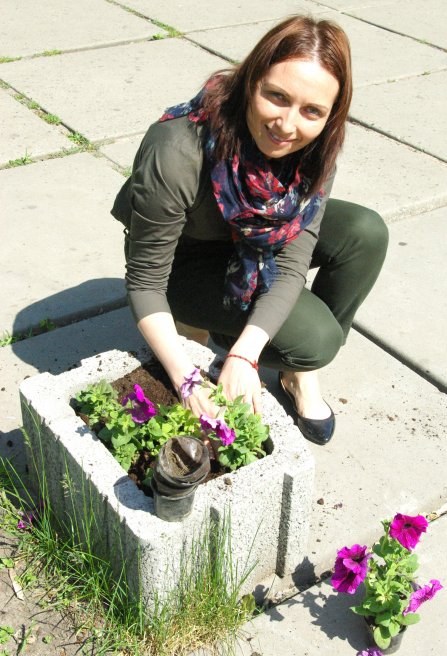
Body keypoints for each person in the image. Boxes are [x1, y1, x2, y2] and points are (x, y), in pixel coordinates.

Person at [111, 15, 388, 446]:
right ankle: (265, 342)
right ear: (250, 81)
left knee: (364, 233)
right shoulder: (178, 149)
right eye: (276, 96)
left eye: (312, 111)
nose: (287, 126)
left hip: (255, 238)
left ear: (331, 115)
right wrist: (186, 379)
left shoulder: (315, 147)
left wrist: (245, 353)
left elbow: (293, 261)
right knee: (316, 338)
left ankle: (297, 371)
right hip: (187, 257)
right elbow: (146, 280)